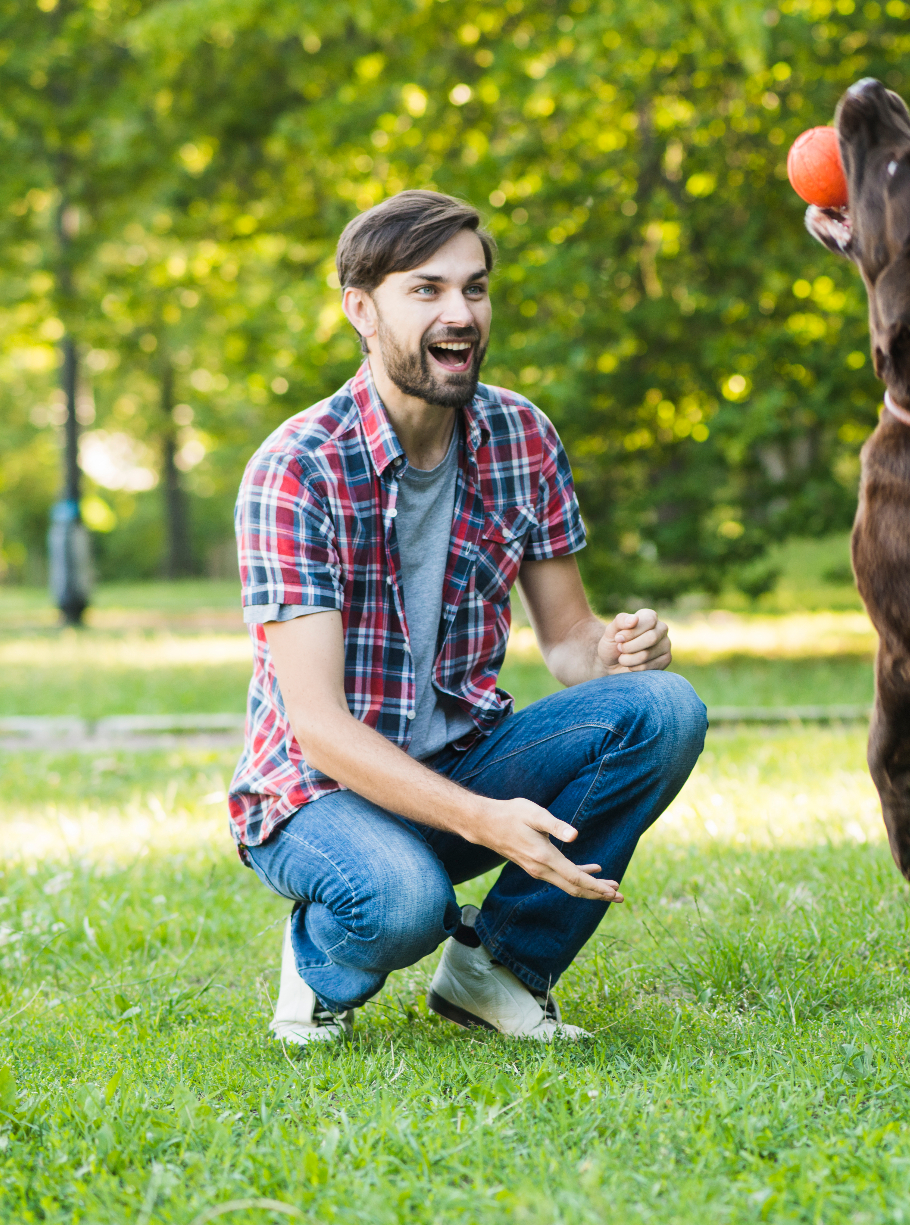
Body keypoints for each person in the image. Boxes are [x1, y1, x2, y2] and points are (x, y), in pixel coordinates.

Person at [228, 189, 706, 1045]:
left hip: (462, 761)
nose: (461, 314)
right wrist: (485, 821)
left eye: (475, 289)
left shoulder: (521, 435)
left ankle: (500, 967)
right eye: (428, 290)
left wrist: (621, 647)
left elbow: (569, 643)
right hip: (318, 793)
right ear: (361, 310)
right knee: (405, 902)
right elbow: (320, 727)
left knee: (665, 709)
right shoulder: (296, 470)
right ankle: (319, 960)